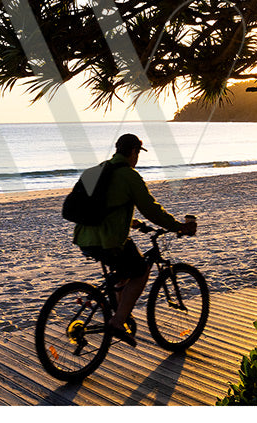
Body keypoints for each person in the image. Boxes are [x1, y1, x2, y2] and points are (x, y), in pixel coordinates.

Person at [73, 133, 197, 348]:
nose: (137, 157)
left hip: (84, 237)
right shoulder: (129, 176)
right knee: (140, 271)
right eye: (138, 153)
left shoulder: (100, 169)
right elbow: (151, 209)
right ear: (132, 152)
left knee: (123, 272)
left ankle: (115, 312)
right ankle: (118, 322)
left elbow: (107, 206)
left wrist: (133, 223)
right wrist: (178, 226)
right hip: (109, 240)